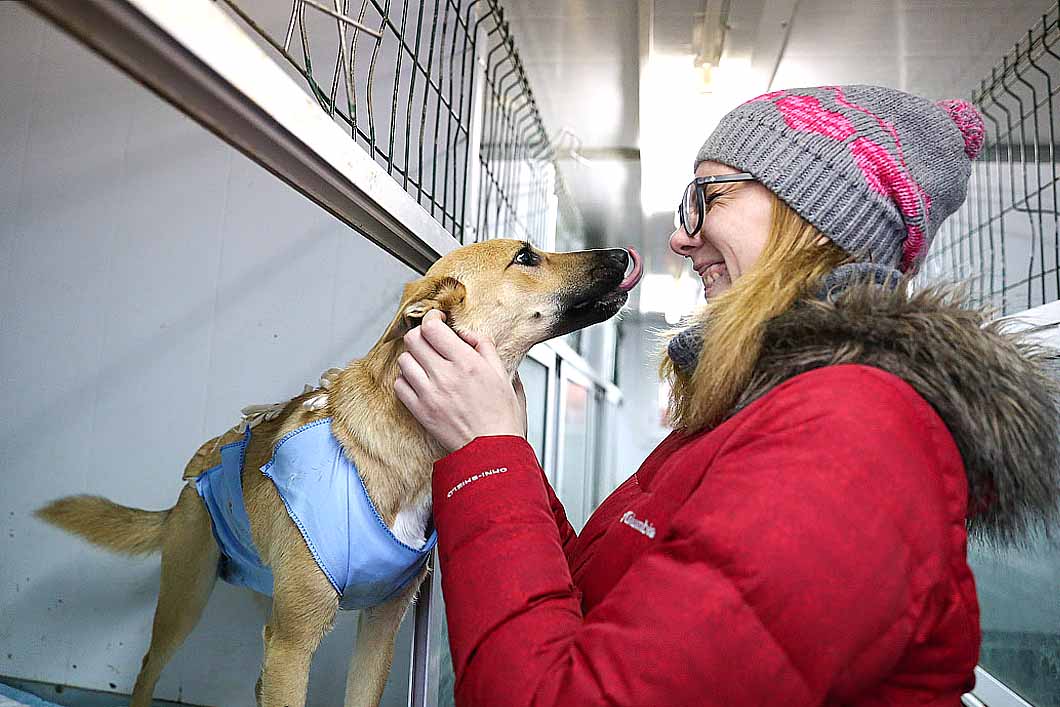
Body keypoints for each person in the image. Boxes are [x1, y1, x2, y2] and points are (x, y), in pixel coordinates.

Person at [393, 85, 1060, 706]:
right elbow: (589, 598)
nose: (683, 236)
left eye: (707, 195)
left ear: (812, 213)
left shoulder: (853, 437)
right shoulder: (755, 411)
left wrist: (489, 454)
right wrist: (501, 445)